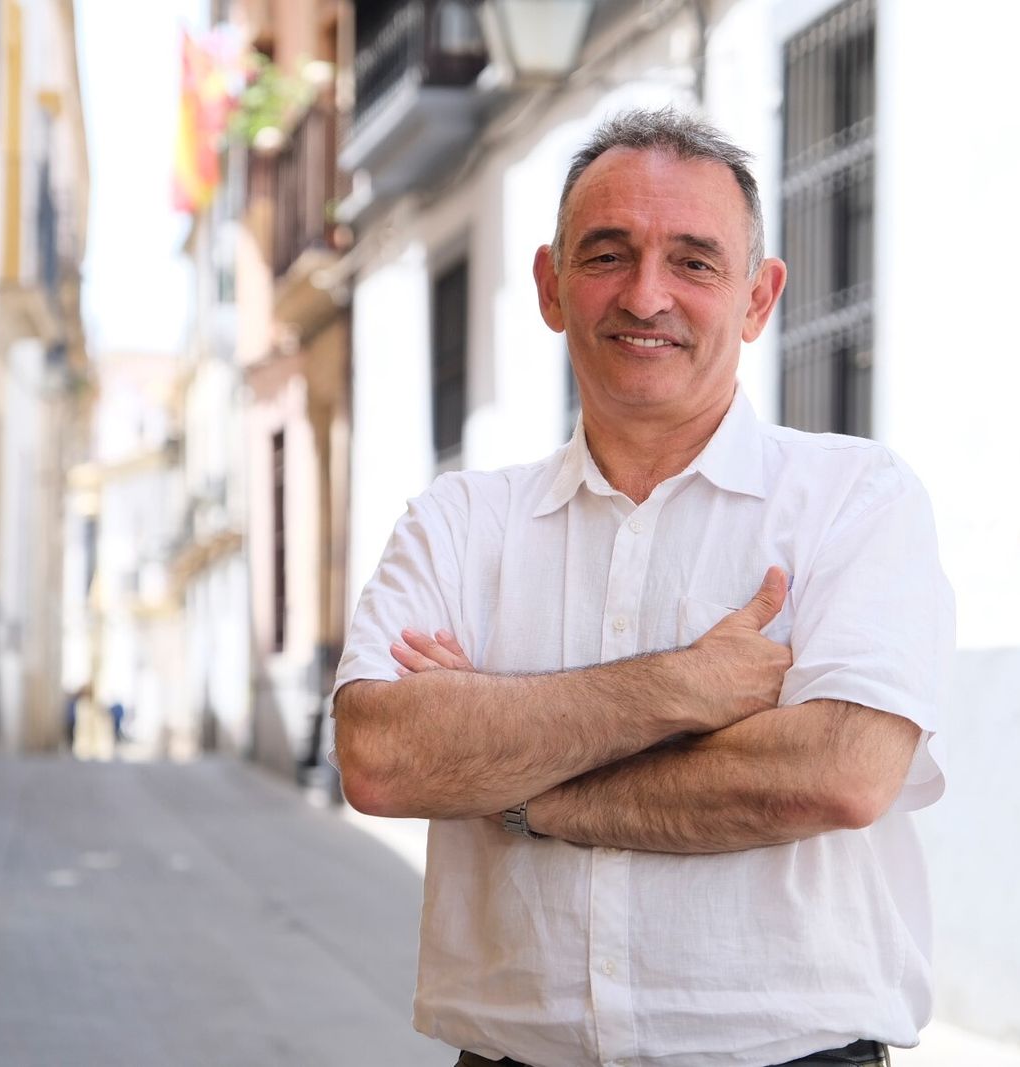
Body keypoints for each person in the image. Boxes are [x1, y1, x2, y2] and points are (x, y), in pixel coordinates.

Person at [332, 107, 954, 1067]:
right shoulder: (460, 522)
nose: (647, 295)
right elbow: (380, 754)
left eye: (696, 262)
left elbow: (838, 771)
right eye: (607, 254)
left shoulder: (854, 500)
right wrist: (683, 691)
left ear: (758, 297)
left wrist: (517, 789)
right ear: (551, 285)